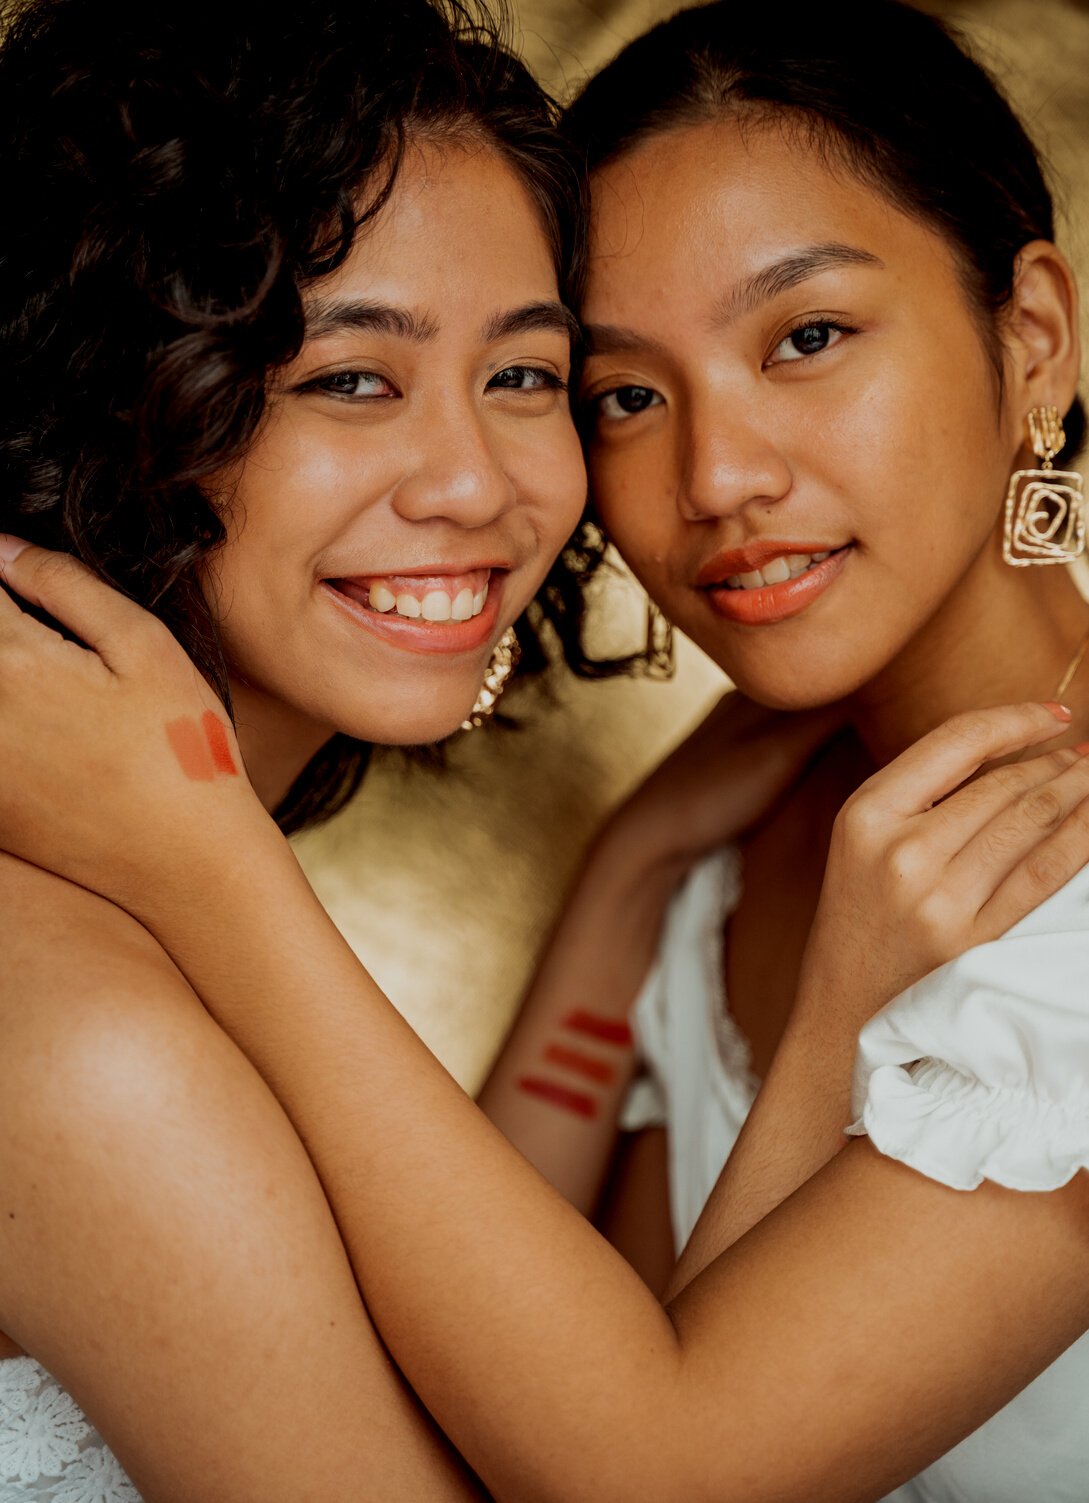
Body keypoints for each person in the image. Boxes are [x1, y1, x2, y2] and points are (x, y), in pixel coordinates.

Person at [1, 5, 1088, 1503]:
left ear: (1031, 336)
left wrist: (624, 879)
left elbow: (611, 1404)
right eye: (625, 394)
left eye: (809, 337)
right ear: (136, 399)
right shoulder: (89, 1013)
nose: (716, 476)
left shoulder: (816, 864)